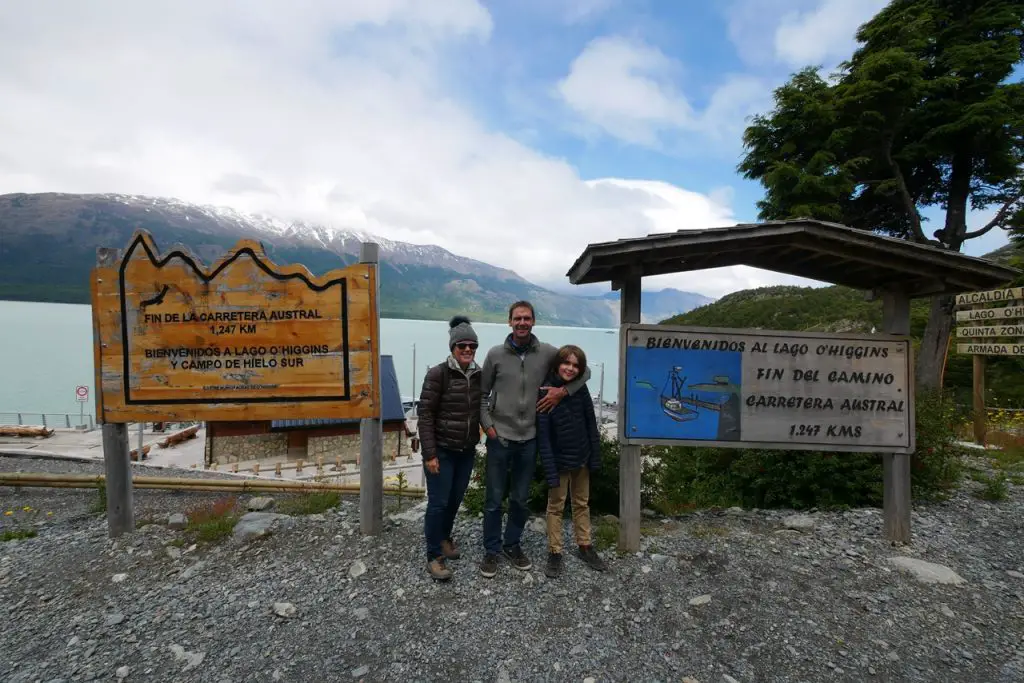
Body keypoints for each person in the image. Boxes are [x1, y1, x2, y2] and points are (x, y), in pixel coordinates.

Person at [478, 300, 591, 578]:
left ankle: (512, 544)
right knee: (493, 499)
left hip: (530, 438)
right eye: (517, 318)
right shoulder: (494, 355)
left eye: (527, 318)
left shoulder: (548, 353)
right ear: (509, 322)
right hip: (499, 437)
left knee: (519, 498)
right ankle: (491, 550)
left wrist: (562, 393)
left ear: (533, 321)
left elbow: (583, 371)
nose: (522, 323)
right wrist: (488, 427)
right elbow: (480, 396)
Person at [417, 315, 482, 581]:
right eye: (462, 345)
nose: (467, 350)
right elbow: (425, 415)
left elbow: (485, 404)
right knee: (438, 503)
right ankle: (434, 555)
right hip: (442, 450)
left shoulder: (479, 375)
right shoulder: (437, 374)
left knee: (454, 500)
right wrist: (430, 454)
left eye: (472, 346)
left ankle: (444, 537)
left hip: (466, 450)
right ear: (452, 347)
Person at [537, 344, 607, 578]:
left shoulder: (581, 390)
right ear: (557, 364)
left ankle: (585, 545)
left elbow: (591, 424)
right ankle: (555, 551)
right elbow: (543, 435)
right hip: (558, 460)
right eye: (566, 363)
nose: (570, 368)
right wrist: (549, 466)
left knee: (581, 502)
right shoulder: (545, 391)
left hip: (582, 456)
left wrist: (594, 456)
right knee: (556, 506)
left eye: (575, 365)